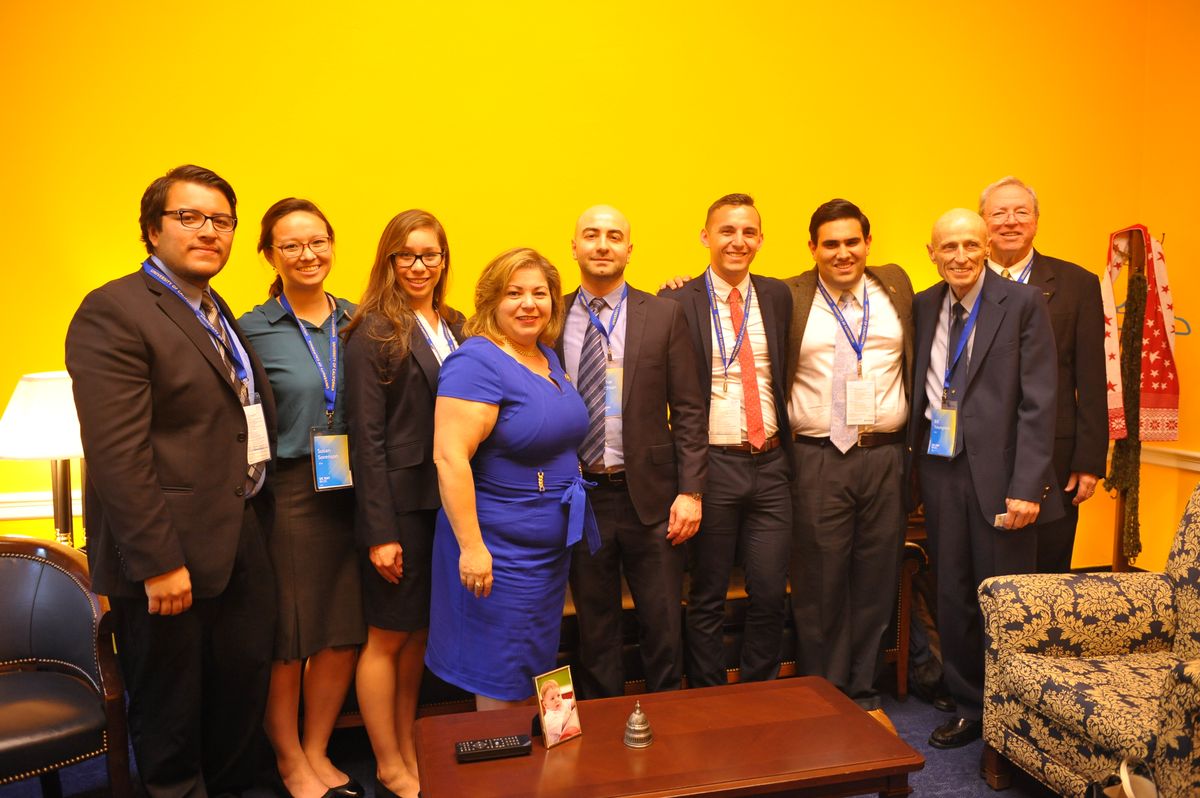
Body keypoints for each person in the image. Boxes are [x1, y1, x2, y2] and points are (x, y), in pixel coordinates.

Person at [65, 164, 277, 796]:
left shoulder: (215, 310)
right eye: (189, 217)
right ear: (152, 230)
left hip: (238, 540)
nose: (208, 231)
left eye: (221, 220)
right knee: (172, 728)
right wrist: (158, 562)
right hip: (169, 560)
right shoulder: (114, 310)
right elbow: (116, 453)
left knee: (237, 712)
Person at [908, 208, 1061, 749]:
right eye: (948, 247)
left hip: (1002, 478)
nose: (961, 257)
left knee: (1004, 597)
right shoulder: (923, 305)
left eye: (971, 245)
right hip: (940, 467)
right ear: (932, 253)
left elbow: (1040, 403)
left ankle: (1014, 714)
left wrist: (1027, 486)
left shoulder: (1022, 304)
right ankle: (971, 705)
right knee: (951, 593)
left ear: (987, 246)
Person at [426, 247, 598, 709]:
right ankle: (501, 776)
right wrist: (473, 548)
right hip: (499, 551)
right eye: (514, 293)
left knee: (532, 666)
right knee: (500, 674)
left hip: (546, 552)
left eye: (540, 293)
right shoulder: (477, 361)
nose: (529, 304)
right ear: (490, 302)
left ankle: (531, 775)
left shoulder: (543, 355)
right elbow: (450, 458)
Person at [238, 199, 364, 798]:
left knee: (342, 631)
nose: (308, 254)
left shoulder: (360, 320)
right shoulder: (249, 329)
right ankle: (288, 758)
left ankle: (317, 748)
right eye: (291, 245)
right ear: (269, 254)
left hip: (352, 491)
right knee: (290, 637)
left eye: (318, 241)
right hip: (289, 492)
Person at [557, 205, 707, 699]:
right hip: (580, 497)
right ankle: (602, 736)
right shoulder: (549, 316)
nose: (602, 245)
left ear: (629, 249)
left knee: (662, 622)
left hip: (653, 498)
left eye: (614, 236)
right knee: (596, 627)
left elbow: (687, 409)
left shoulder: (664, 313)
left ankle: (667, 726)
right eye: (592, 236)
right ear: (574, 246)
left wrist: (691, 492)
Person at [344, 210, 464, 798]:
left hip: (446, 503)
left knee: (419, 633)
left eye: (431, 255)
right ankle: (388, 761)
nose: (420, 266)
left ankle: (408, 740)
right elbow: (364, 439)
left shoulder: (456, 323)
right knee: (386, 636)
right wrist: (379, 530)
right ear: (389, 260)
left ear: (444, 260)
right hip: (400, 507)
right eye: (407, 255)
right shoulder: (372, 330)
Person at [784, 199, 913, 730]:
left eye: (852, 242)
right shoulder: (787, 296)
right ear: (812, 247)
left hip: (884, 455)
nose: (842, 253)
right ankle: (823, 688)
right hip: (817, 457)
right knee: (820, 580)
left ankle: (862, 687)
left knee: (876, 575)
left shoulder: (896, 287)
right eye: (830, 243)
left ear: (868, 243)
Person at [659, 193, 793, 687]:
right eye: (727, 231)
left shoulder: (778, 296)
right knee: (709, 592)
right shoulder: (675, 301)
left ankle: (759, 692)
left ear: (760, 239)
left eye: (749, 232)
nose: (738, 241)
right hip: (711, 466)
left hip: (772, 464)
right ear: (706, 237)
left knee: (769, 591)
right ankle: (711, 697)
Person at [979, 177, 1107, 573]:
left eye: (1021, 212)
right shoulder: (963, 282)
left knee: (1046, 574)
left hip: (1056, 456)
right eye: (999, 213)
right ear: (983, 221)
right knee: (984, 568)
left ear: (1036, 220)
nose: (1010, 222)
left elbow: (1091, 376)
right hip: (980, 452)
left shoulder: (1077, 284)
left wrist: (1089, 460)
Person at [538, 679, 581, 744]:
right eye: (552, 698)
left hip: (569, 740)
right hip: (557, 747)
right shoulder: (548, 719)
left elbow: (572, 702)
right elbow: (563, 723)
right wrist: (568, 713)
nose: (557, 700)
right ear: (545, 704)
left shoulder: (562, 703)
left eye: (558, 695)